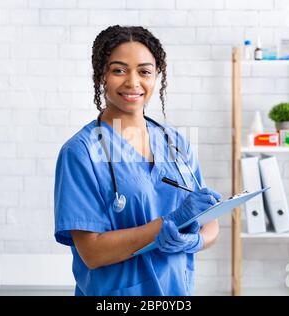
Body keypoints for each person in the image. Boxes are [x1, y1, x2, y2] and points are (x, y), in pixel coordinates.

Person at [54, 25, 221, 296]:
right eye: (119, 70)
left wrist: (193, 241)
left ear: (156, 77)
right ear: (102, 76)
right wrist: (168, 223)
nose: (133, 82)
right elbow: (92, 252)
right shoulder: (80, 152)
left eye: (144, 71)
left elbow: (209, 222)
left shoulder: (176, 143)